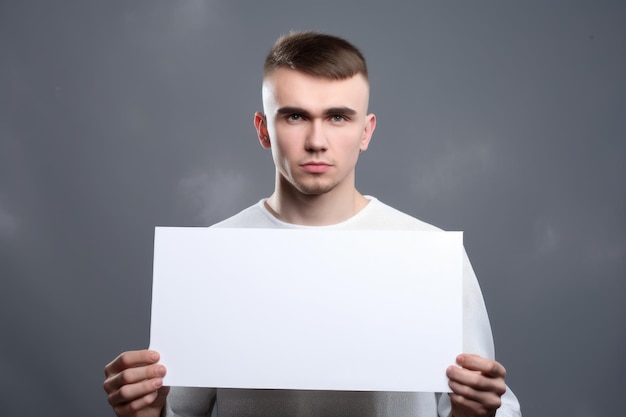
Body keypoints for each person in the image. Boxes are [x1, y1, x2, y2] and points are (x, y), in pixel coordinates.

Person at [103, 31, 522, 417]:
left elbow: (491, 405)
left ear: (366, 131)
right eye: (295, 117)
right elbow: (179, 411)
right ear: (264, 129)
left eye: (338, 117)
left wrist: (475, 414)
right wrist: (149, 412)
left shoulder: (430, 254)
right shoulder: (212, 257)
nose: (317, 140)